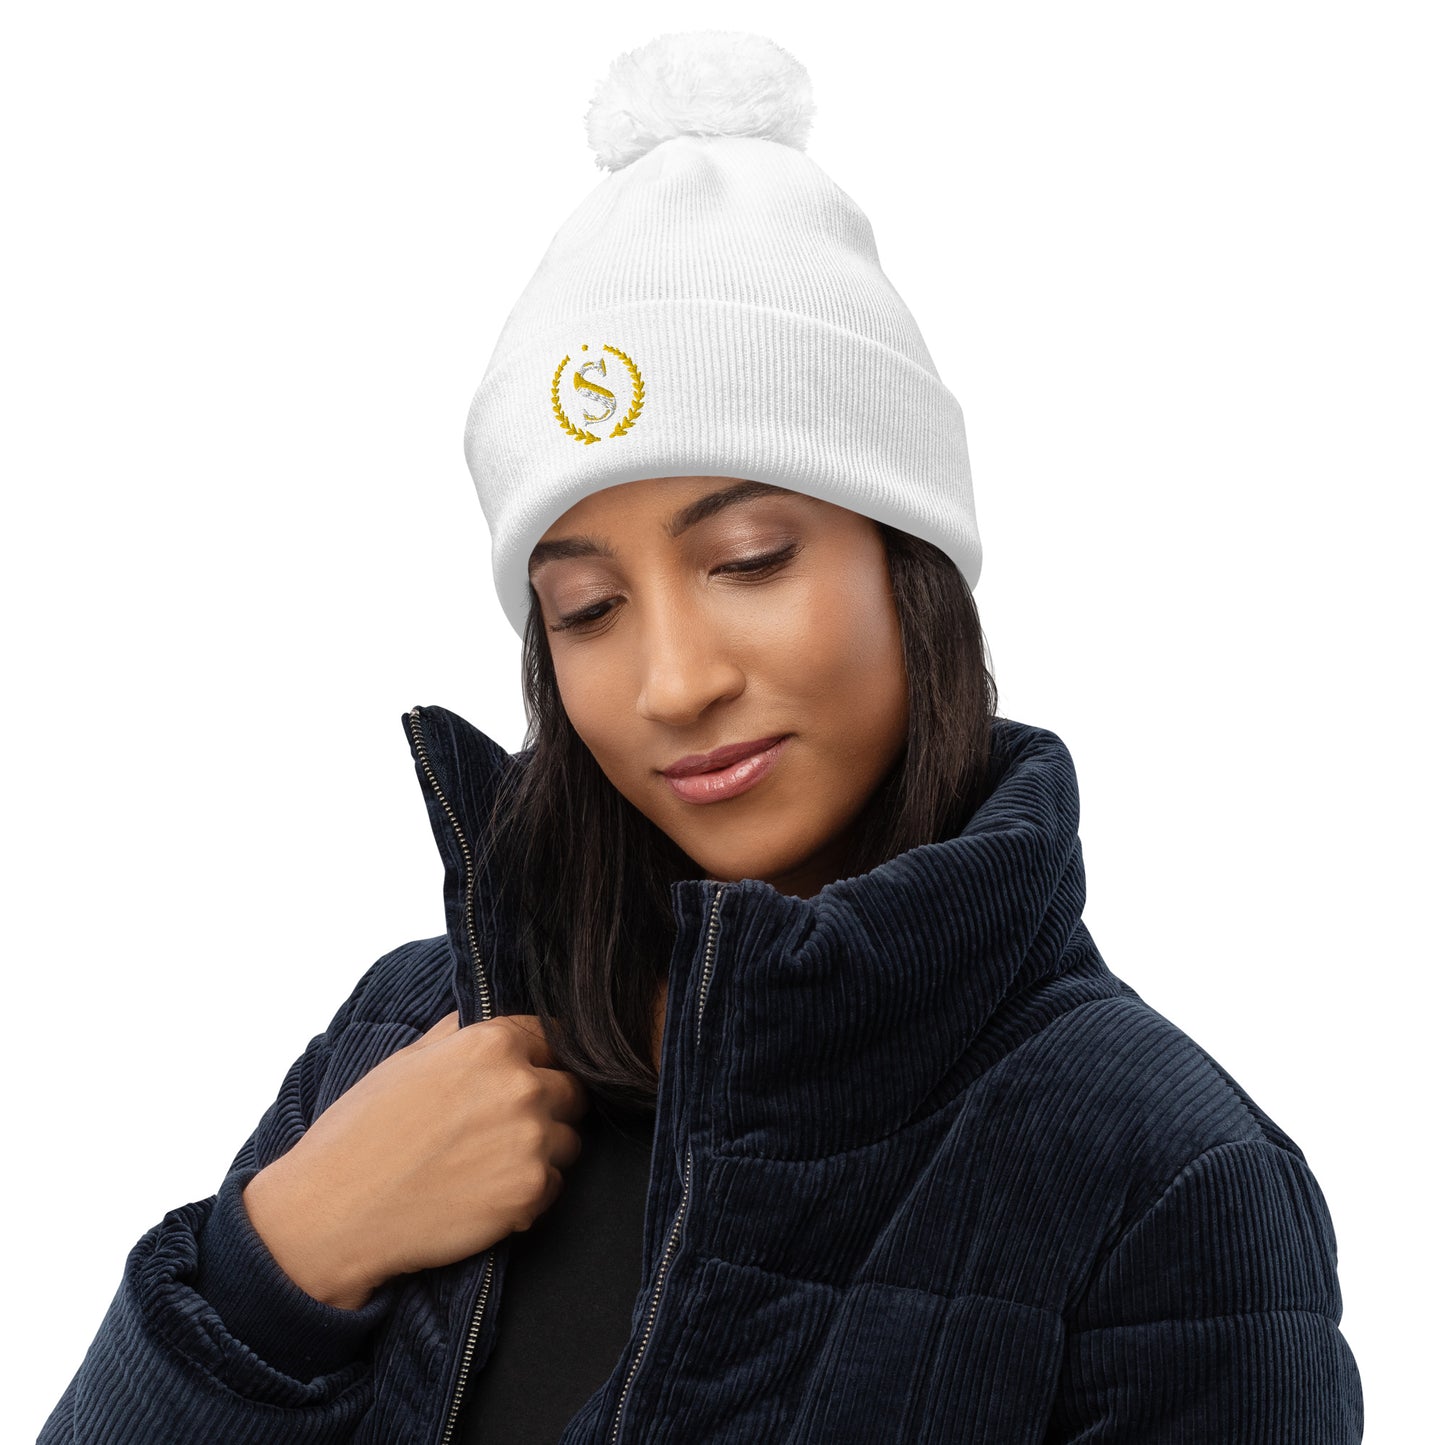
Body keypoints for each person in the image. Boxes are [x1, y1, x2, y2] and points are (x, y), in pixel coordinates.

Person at [40, 29, 1364, 1445]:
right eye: (588, 609)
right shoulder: (407, 1035)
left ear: (906, 566)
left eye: (747, 560)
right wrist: (278, 1266)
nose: (671, 683)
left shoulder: (1165, 1171)